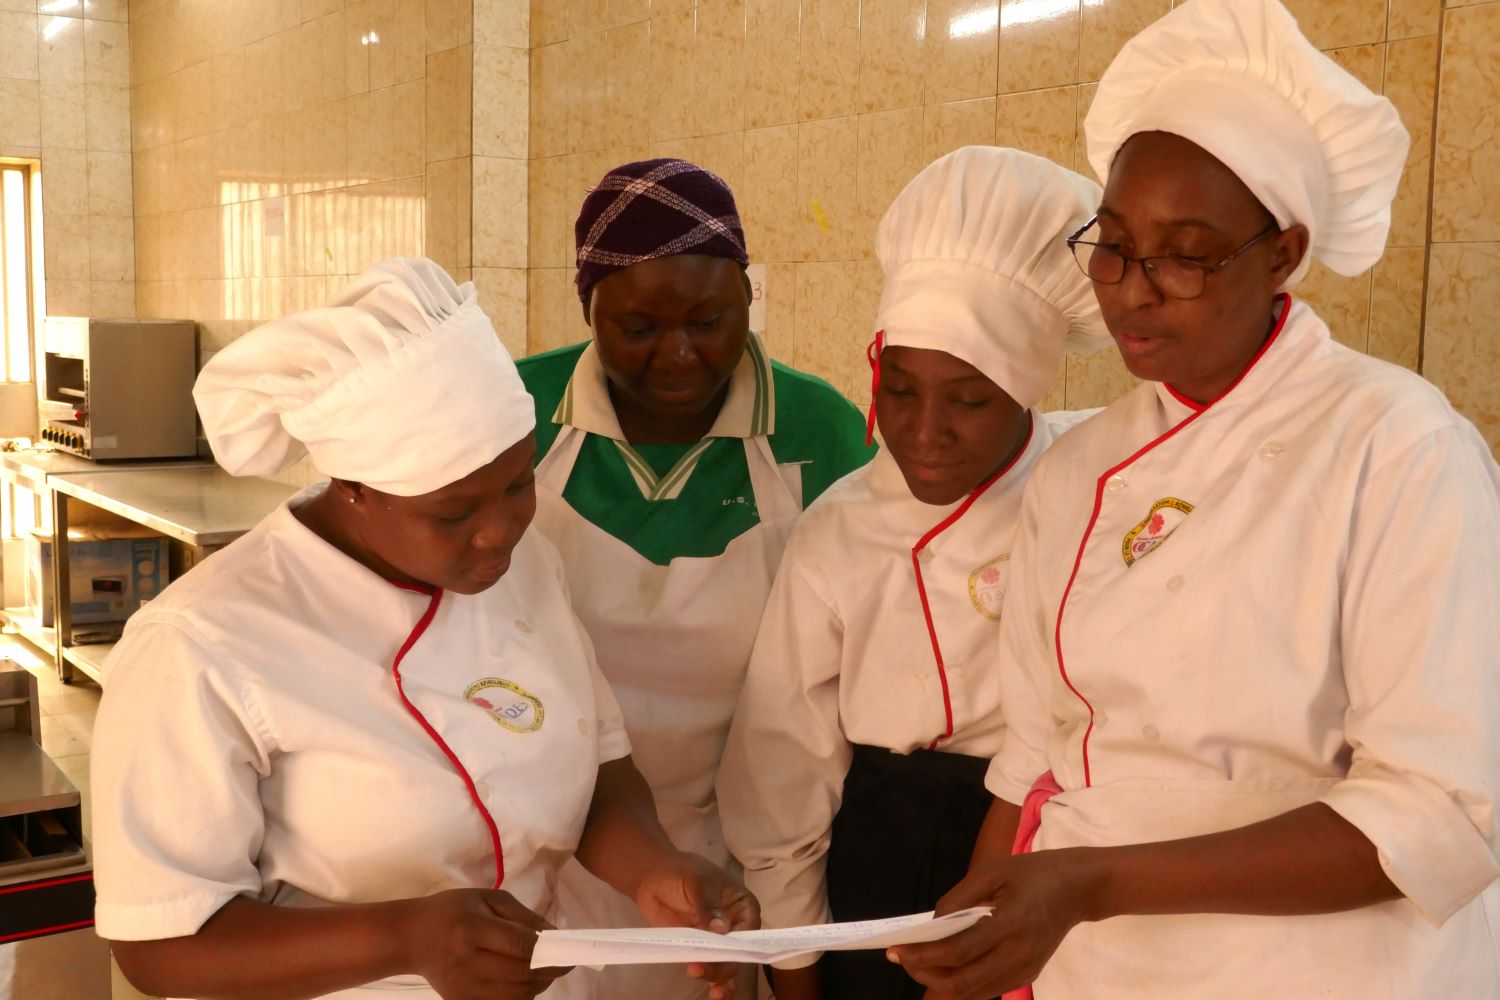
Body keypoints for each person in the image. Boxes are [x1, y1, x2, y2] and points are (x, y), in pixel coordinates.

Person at [885, 2, 1500, 998]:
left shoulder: (1396, 444)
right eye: (1114, 244)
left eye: (1185, 253)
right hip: (1095, 967)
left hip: (1327, 972)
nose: (1130, 290)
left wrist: (1091, 881)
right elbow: (1038, 757)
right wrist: (984, 940)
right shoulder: (1082, 469)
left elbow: (1434, 812)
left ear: (1284, 252)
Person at [90, 258, 758, 1000]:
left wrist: (654, 868)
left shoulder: (526, 566)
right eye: (454, 513)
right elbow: (157, 943)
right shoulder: (200, 644)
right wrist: (405, 938)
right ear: (354, 489)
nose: (499, 532)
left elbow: (597, 762)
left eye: (517, 485)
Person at [717, 146, 1110, 1000]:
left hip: (1059, 851)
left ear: (1027, 390)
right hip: (881, 861)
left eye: (969, 399)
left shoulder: (1093, 484)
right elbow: (783, 772)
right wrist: (794, 972)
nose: (925, 431)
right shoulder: (838, 534)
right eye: (899, 390)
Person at [516, 159, 875, 1000]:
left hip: (739, 868)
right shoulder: (518, 411)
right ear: (587, 310)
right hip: (539, 857)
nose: (677, 355)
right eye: (636, 327)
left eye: (709, 320)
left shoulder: (816, 429)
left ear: (749, 298)